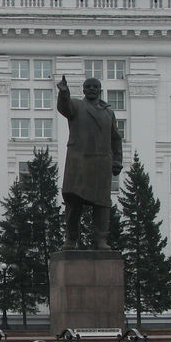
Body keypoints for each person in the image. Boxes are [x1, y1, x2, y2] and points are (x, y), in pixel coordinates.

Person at [57, 75, 122, 250]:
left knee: (102, 203)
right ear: (83, 90)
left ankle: (101, 239)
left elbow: (115, 139)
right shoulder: (77, 105)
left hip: (101, 163)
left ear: (100, 90)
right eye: (88, 86)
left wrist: (117, 159)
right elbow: (65, 108)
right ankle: (71, 239)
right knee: (73, 202)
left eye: (95, 86)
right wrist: (64, 92)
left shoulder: (109, 112)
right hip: (78, 161)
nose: (92, 89)